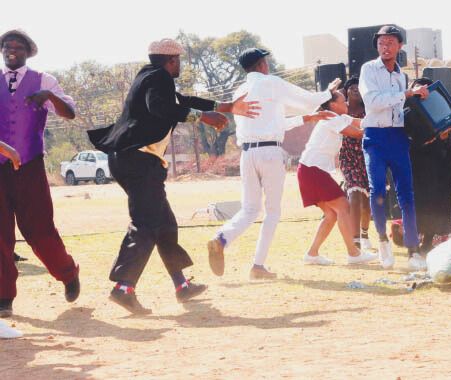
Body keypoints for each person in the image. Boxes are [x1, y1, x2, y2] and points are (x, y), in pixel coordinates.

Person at [88, 38, 259, 314]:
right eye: (178, 61)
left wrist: (226, 106)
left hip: (131, 159)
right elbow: (160, 107)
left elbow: (181, 101)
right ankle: (123, 287)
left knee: (164, 224)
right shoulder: (159, 79)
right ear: (172, 61)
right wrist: (203, 117)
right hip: (139, 160)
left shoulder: (147, 77)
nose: (179, 65)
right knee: (145, 223)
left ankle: (181, 285)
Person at [207, 48, 336, 280]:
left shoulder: (240, 90)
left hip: (248, 154)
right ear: (262, 65)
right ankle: (258, 266)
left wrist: (307, 118)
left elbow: (274, 122)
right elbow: (308, 101)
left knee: (249, 209)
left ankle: (222, 238)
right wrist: (328, 93)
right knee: (273, 211)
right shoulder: (271, 83)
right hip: (270, 152)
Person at [0, 29, 81, 318]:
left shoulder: (43, 80)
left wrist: (48, 96)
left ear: (28, 51)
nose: (11, 50)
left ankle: (68, 273)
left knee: (38, 229)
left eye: (18, 47)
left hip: (30, 165)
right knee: (0, 234)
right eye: (6, 46)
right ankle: (4, 295)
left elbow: (69, 112)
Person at [358, 26, 430, 270]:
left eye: (390, 42)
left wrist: (418, 104)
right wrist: (407, 94)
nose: (385, 47)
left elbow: (399, 108)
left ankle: (413, 250)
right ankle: (382, 242)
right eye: (381, 43)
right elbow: (373, 102)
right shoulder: (368, 69)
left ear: (400, 46)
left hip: (398, 136)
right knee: (377, 192)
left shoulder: (402, 76)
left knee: (407, 195)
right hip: (375, 137)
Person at [297, 89, 378, 265]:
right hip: (312, 169)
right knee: (343, 207)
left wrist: (384, 121)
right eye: (343, 101)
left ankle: (312, 254)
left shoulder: (338, 117)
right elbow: (357, 133)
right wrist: (382, 133)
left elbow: (361, 123)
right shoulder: (330, 118)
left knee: (331, 214)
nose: (347, 104)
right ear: (333, 104)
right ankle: (354, 254)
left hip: (309, 169)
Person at [406, 78, 451, 252]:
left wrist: (444, 135)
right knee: (422, 201)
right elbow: (408, 138)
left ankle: (430, 238)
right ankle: (418, 240)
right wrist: (430, 139)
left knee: (441, 198)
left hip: (442, 159)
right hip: (419, 162)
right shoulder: (407, 112)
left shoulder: (441, 107)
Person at [338, 77, 374, 251]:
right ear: (346, 91)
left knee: (366, 202)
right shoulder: (341, 109)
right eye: (352, 87)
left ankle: (365, 233)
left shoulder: (368, 110)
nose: (355, 89)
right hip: (348, 157)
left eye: (358, 87)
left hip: (366, 156)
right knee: (354, 194)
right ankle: (355, 240)